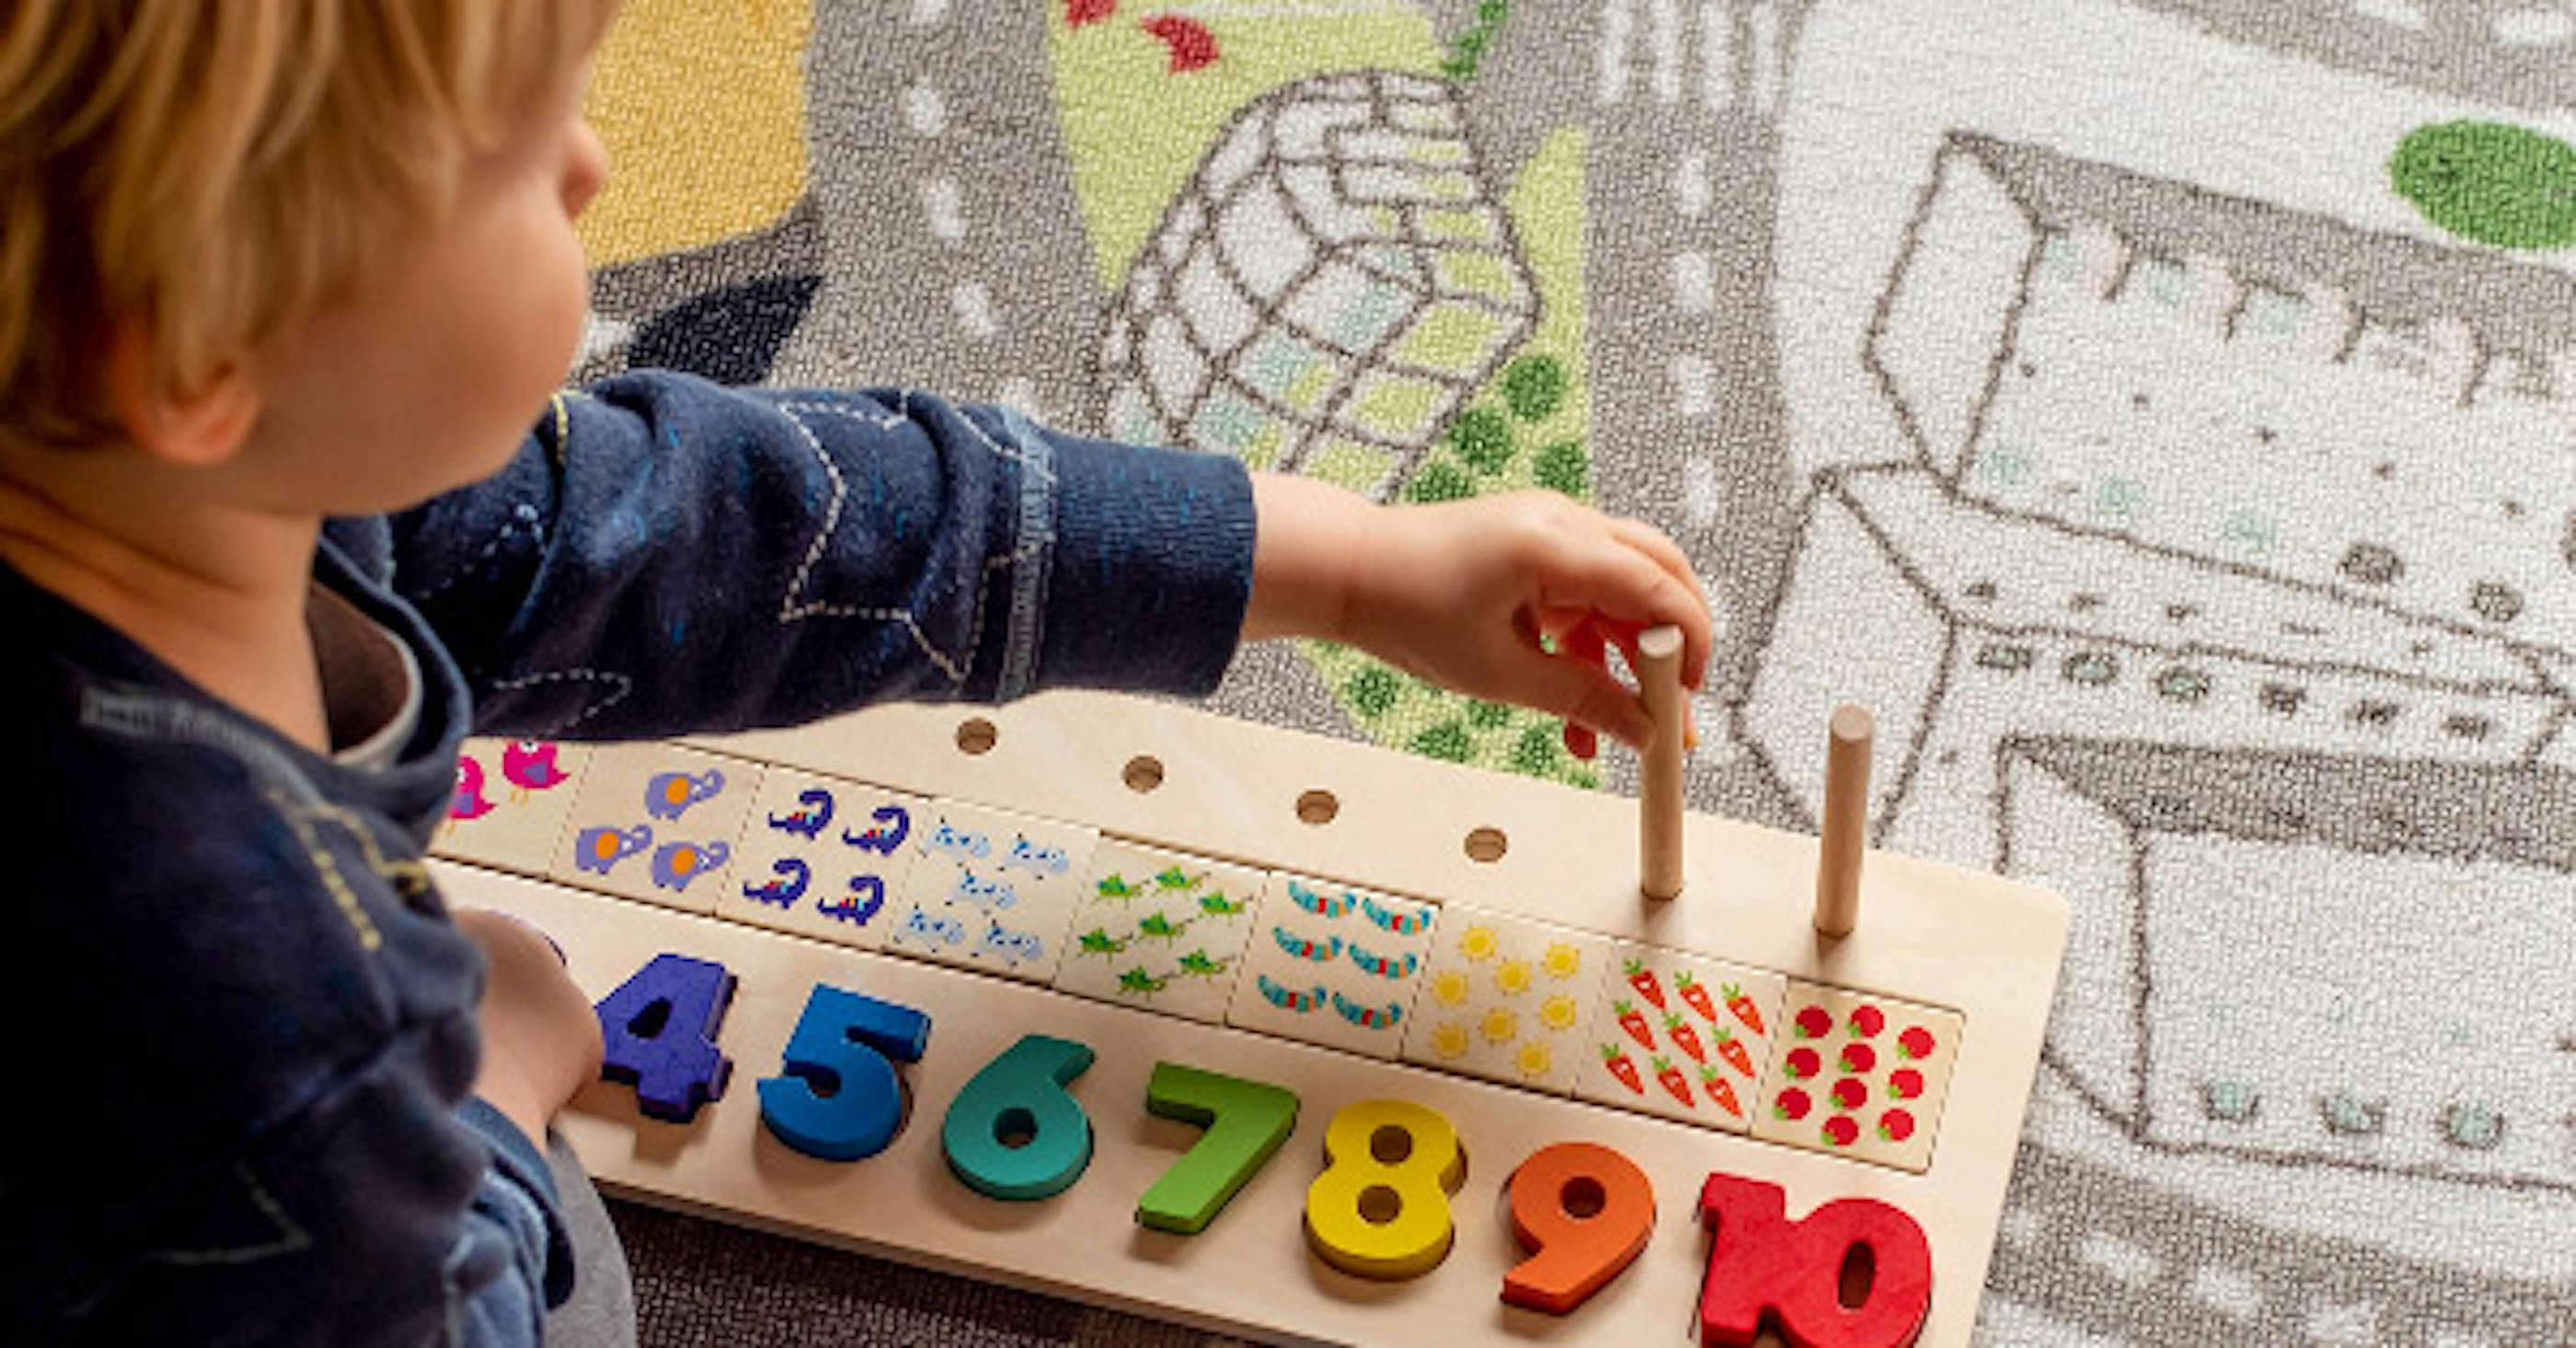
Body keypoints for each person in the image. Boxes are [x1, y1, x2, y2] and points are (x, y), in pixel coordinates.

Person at [0, 2, 1714, 1343]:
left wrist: (1335, 563)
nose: (600, 165)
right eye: (521, 155)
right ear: (204, 356)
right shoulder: (266, 1012)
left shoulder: (196, 460)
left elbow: (743, 537)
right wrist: (495, 1102)